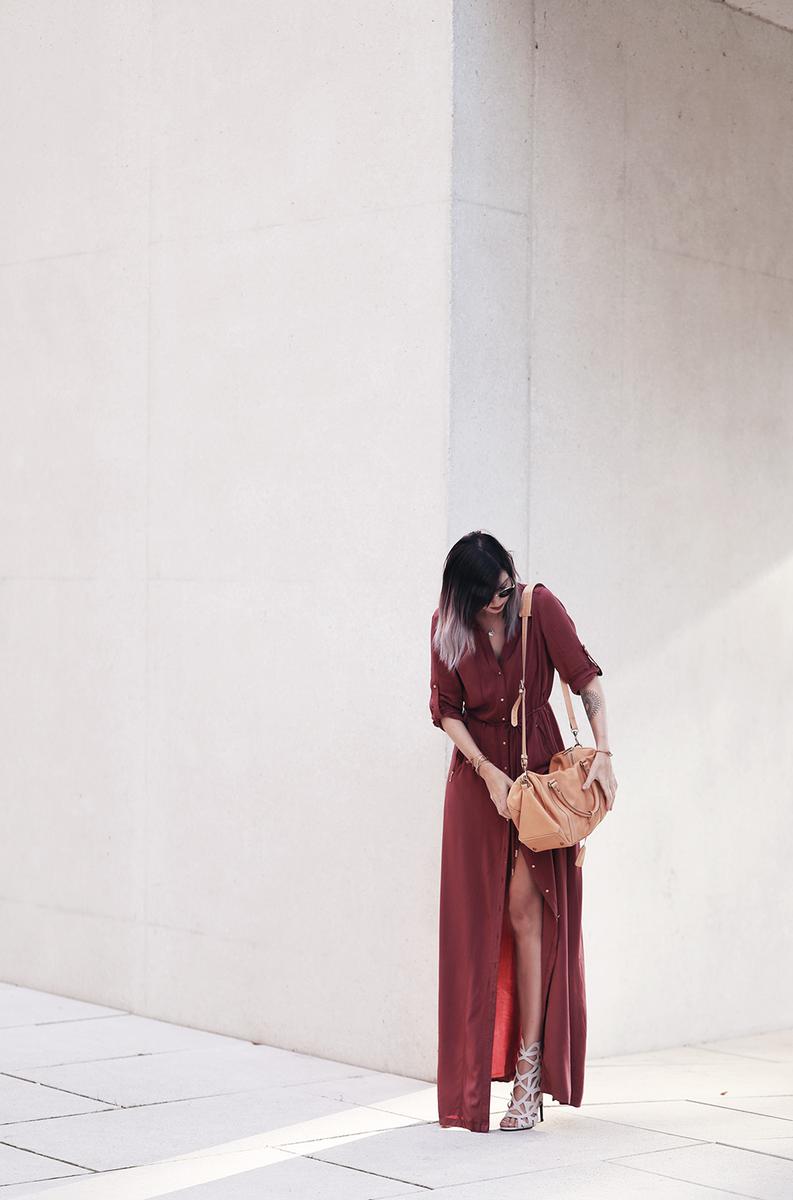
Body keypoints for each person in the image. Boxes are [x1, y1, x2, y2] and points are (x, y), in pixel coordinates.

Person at [429, 531, 617, 1133]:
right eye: (487, 595)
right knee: (470, 930)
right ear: (463, 596)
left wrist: (605, 751)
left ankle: (529, 1075)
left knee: (524, 912)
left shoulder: (538, 607)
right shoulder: (446, 625)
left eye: (504, 588)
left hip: (537, 784)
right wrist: (483, 772)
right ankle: (468, 1085)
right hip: (477, 784)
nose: (499, 601)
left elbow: (586, 679)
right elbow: (445, 708)